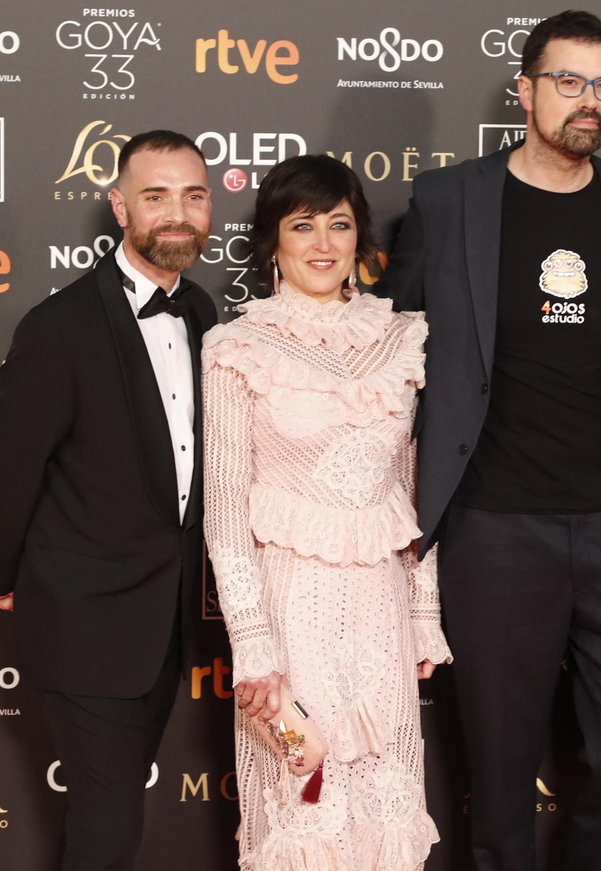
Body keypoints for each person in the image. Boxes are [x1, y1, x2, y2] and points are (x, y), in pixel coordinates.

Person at [375, 9, 601, 871]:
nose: (587, 102)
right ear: (525, 90)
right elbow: (391, 348)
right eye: (568, 82)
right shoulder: (449, 202)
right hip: (494, 526)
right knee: (501, 775)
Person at [0, 130, 217, 871]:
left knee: (107, 822)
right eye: (156, 196)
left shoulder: (207, 316)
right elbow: (5, 472)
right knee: (108, 831)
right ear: (119, 207)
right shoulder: (61, 326)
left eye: (194, 196)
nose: (178, 213)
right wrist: (1, 578)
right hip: (84, 620)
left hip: (166, 624)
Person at [200, 155, 449, 870]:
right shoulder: (236, 347)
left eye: (339, 224)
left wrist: (423, 613)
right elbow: (224, 512)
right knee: (303, 791)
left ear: (360, 238)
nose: (322, 243)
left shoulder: (403, 338)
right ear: (272, 242)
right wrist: (252, 641)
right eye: (301, 225)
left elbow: (413, 489)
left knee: (384, 796)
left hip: (379, 603)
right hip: (288, 608)